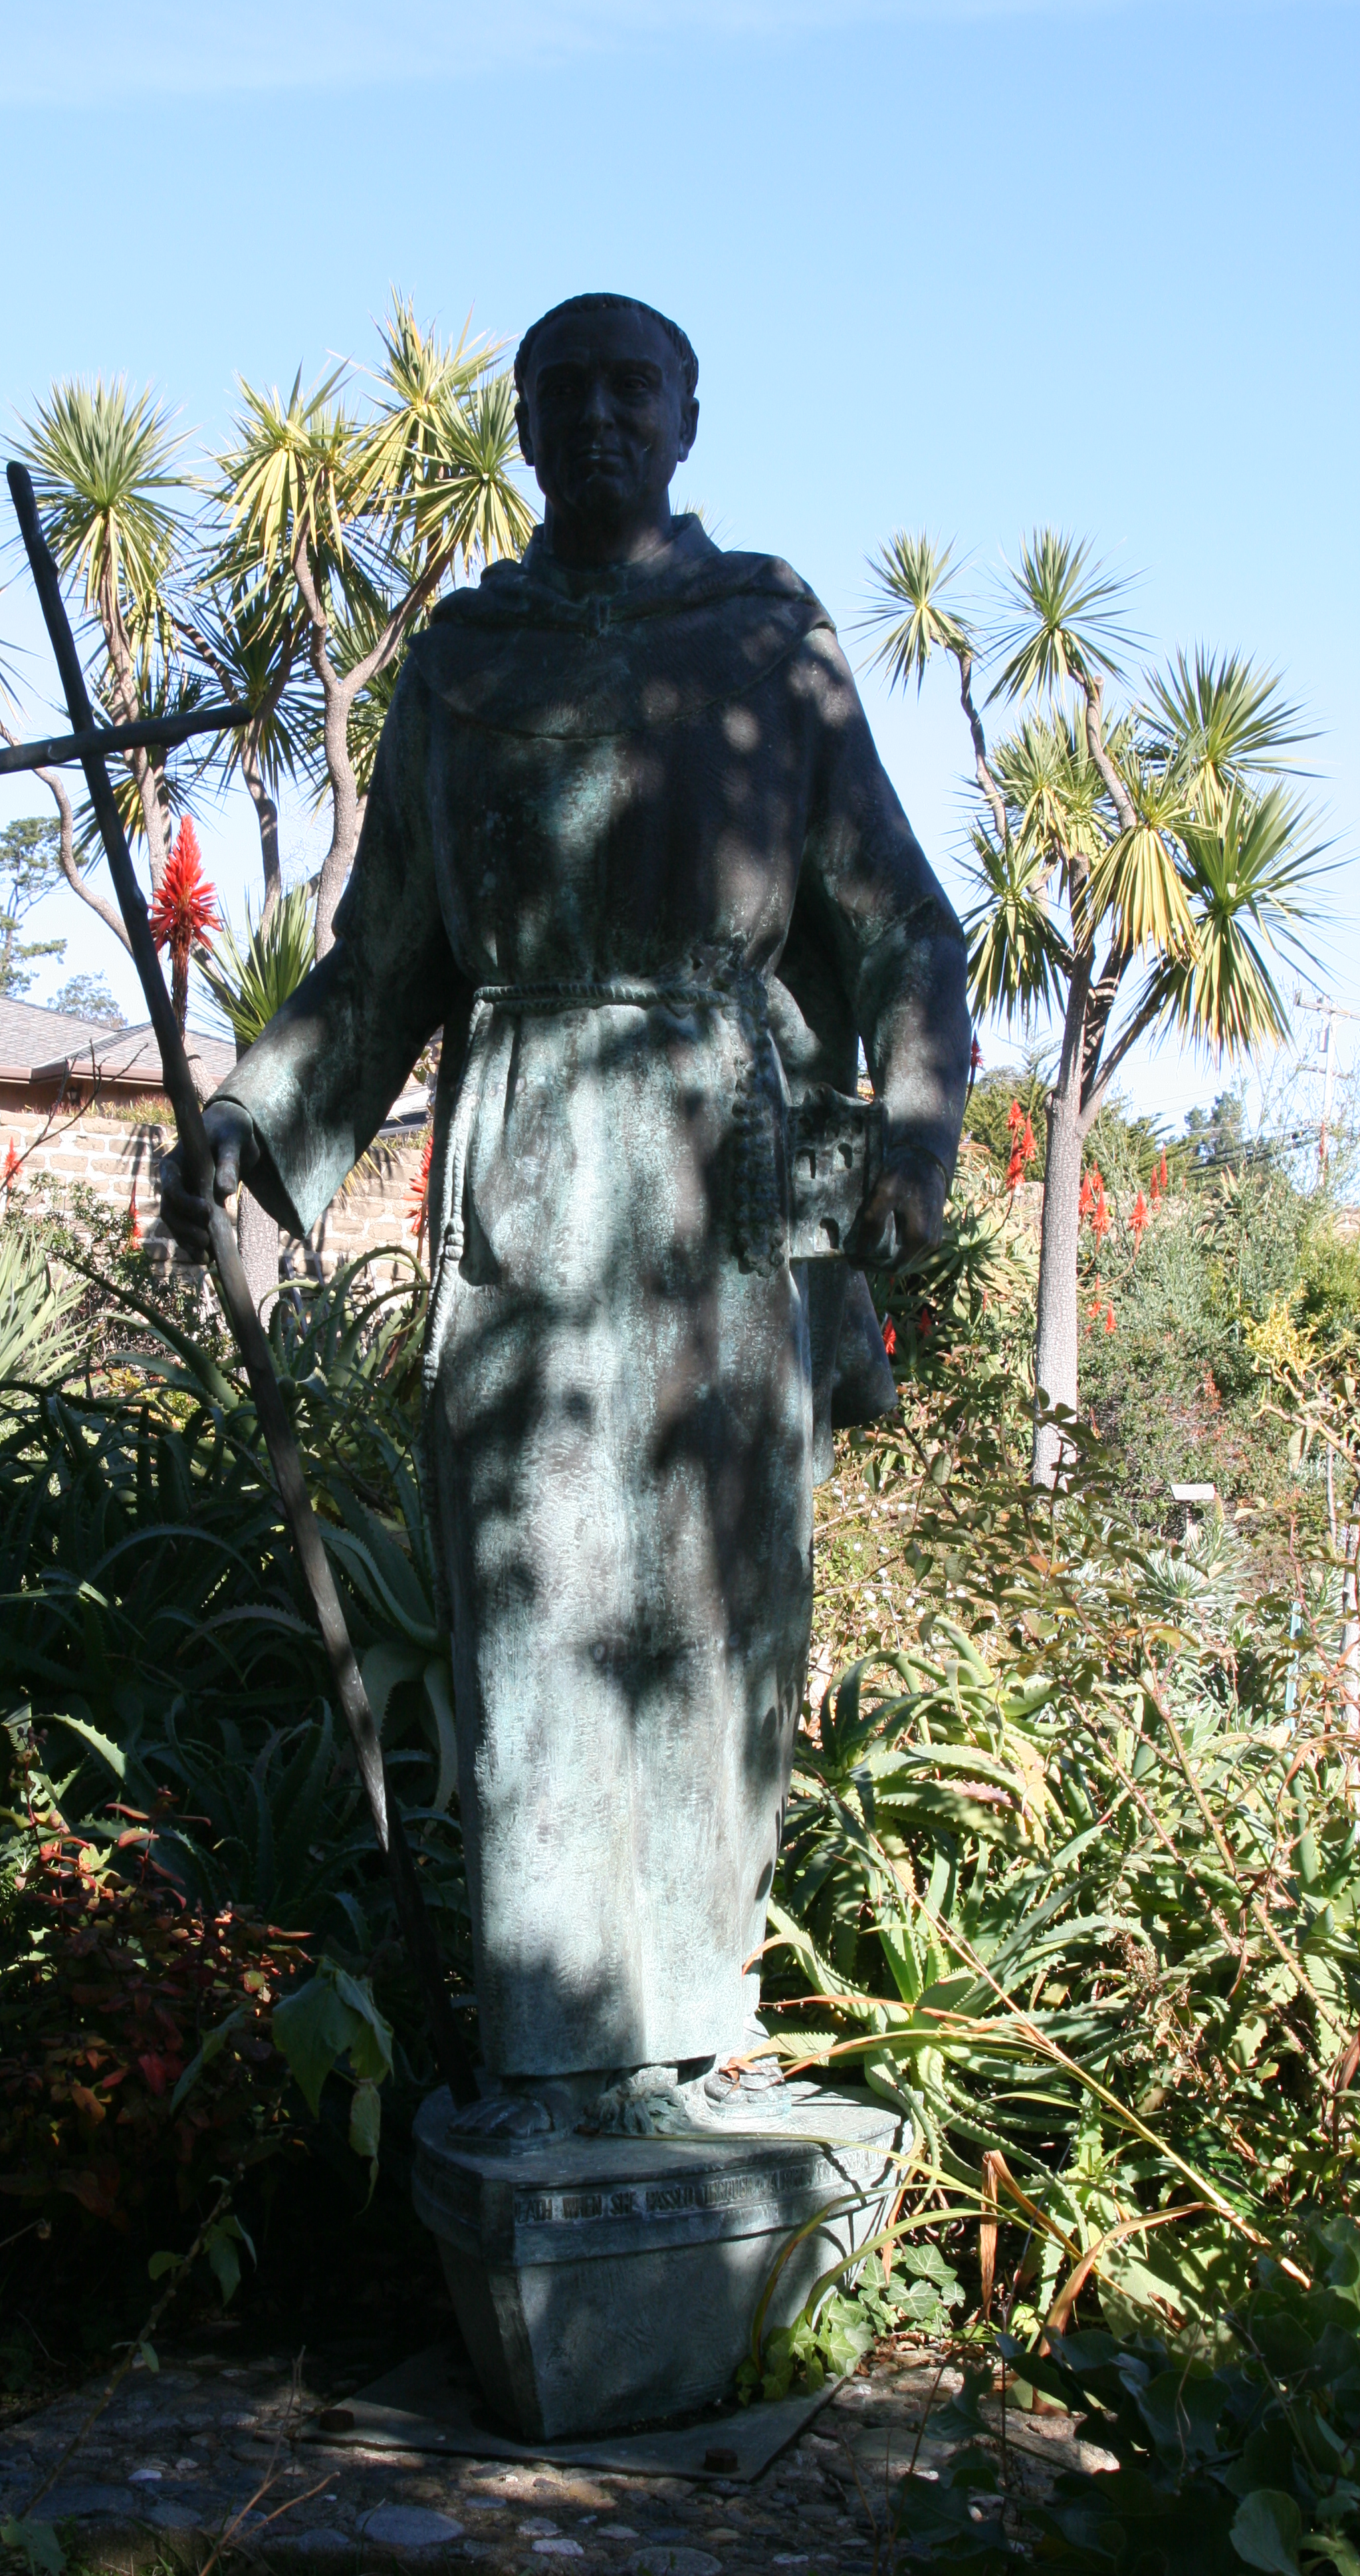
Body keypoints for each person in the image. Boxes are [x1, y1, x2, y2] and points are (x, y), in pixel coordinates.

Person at [162, 293, 970, 2134]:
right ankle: (554, 2051)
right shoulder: (466, 663)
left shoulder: (767, 641)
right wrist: (251, 1125)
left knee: (720, 1598)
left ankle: (695, 2023)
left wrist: (917, 1127)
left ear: (688, 417)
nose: (600, 415)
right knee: (530, 1602)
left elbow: (905, 925)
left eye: (633, 386)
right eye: (565, 391)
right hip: (525, 1175)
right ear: (521, 427)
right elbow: (382, 958)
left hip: (722, 1179)